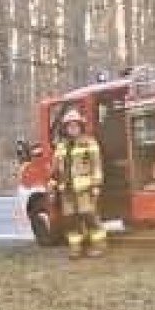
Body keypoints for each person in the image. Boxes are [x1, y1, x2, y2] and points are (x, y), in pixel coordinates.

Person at [50, 108, 106, 258]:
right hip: (66, 191)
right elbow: (55, 170)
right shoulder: (61, 146)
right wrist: (53, 185)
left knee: (90, 218)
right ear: (65, 128)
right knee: (70, 222)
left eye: (75, 125)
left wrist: (96, 186)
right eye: (69, 126)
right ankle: (75, 249)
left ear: (80, 126)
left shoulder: (89, 143)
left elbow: (97, 166)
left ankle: (99, 247)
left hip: (85, 190)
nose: (72, 128)